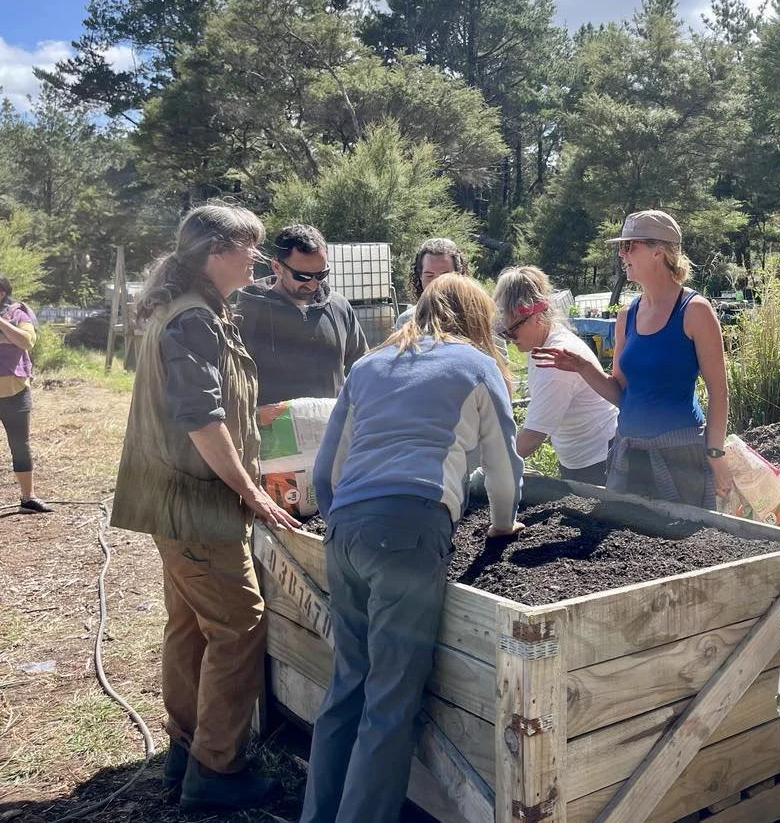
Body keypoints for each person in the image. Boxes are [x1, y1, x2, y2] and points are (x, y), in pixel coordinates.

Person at [300, 273, 523, 823]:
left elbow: (325, 469)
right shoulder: (477, 365)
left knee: (348, 684)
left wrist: (338, 521)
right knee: (390, 700)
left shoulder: (369, 365)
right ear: (476, 318)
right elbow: (504, 467)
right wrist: (502, 527)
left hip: (346, 529)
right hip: (409, 528)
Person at [111, 204, 301, 812]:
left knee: (191, 624)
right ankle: (217, 769)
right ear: (217, 252)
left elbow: (210, 405)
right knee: (239, 626)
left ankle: (187, 748)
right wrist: (251, 492)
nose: (257, 258)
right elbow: (201, 419)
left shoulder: (197, 310)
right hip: (197, 506)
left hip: (176, 501)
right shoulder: (193, 318)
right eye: (251, 248)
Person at [533, 210, 732, 508]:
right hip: (630, 457)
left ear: (658, 252)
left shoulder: (695, 310)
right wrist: (583, 367)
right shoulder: (627, 315)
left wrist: (715, 454)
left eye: (629, 246)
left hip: (680, 458)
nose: (621, 253)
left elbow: (719, 391)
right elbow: (622, 394)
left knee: (679, 536)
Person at [493, 265, 618, 484]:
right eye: (504, 333)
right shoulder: (541, 343)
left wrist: (489, 466)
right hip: (581, 457)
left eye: (512, 331)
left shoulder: (555, 360)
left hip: (599, 461)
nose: (510, 339)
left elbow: (532, 437)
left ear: (535, 317)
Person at [235, 224, 367, 405]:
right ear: (277, 267)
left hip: (331, 421)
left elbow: (362, 368)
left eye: (321, 274)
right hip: (271, 423)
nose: (313, 284)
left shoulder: (339, 307)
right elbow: (232, 381)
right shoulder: (249, 311)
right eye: (302, 277)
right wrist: (256, 414)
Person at [0, 277, 47, 513]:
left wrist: (1, 323)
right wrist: (9, 339)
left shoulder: (18, 313)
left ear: (2, 293)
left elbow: (26, 341)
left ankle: (28, 498)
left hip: (15, 392)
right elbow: (17, 340)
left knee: (20, 445)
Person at [392, 237, 468, 330]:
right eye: (429, 276)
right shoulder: (406, 321)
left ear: (459, 274)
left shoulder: (474, 318)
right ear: (420, 275)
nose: (436, 283)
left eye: (444, 276)